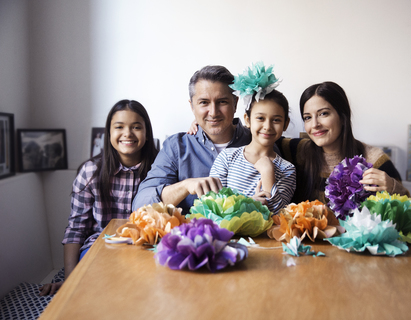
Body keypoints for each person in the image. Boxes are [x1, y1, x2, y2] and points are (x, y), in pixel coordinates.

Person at [39, 99, 158, 296]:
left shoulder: (160, 169)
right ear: (109, 133)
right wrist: (71, 280)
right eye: (119, 127)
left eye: (136, 127)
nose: (127, 133)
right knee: (101, 292)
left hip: (146, 250)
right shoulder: (91, 171)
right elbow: (76, 228)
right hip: (100, 247)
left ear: (146, 133)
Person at [132, 65, 251, 212]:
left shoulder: (258, 141)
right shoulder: (176, 147)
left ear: (235, 103)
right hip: (189, 235)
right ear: (192, 106)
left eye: (222, 102)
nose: (213, 112)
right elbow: (140, 206)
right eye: (204, 102)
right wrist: (184, 186)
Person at [276, 81, 409, 204]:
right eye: (307, 117)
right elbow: (263, 136)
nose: (315, 124)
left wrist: (393, 187)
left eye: (323, 114)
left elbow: (409, 212)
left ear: (342, 116)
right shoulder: (297, 151)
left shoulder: (374, 160)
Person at [209, 64, 296, 214]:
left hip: (267, 237)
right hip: (229, 235)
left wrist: (268, 172)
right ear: (247, 120)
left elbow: (279, 215)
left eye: (276, 120)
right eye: (260, 118)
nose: (267, 126)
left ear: (285, 124)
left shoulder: (287, 169)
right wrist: (248, 204)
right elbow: (212, 205)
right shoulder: (228, 157)